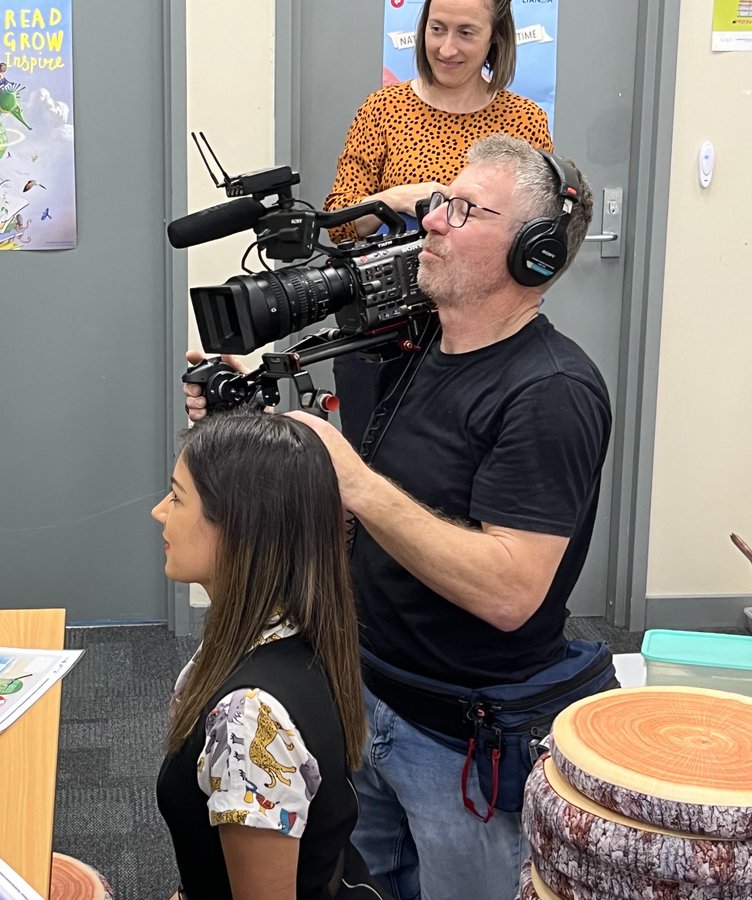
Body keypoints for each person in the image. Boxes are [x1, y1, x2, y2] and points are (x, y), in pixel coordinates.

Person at [183, 135, 613, 900]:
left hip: (461, 744)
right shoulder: (414, 349)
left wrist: (358, 485)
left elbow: (512, 591)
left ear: (534, 257)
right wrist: (249, 385)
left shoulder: (551, 392)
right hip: (365, 698)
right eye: (439, 203)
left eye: (464, 210)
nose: (434, 223)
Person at [153, 412, 389, 900]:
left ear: (239, 526)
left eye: (177, 497)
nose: (159, 511)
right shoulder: (285, 628)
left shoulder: (250, 719)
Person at [324, 0, 554, 442]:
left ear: (495, 38)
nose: (446, 48)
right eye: (437, 29)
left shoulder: (524, 121)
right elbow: (338, 223)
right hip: (383, 337)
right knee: (370, 478)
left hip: (483, 338)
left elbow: (535, 234)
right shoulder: (383, 110)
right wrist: (393, 199)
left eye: (466, 32)